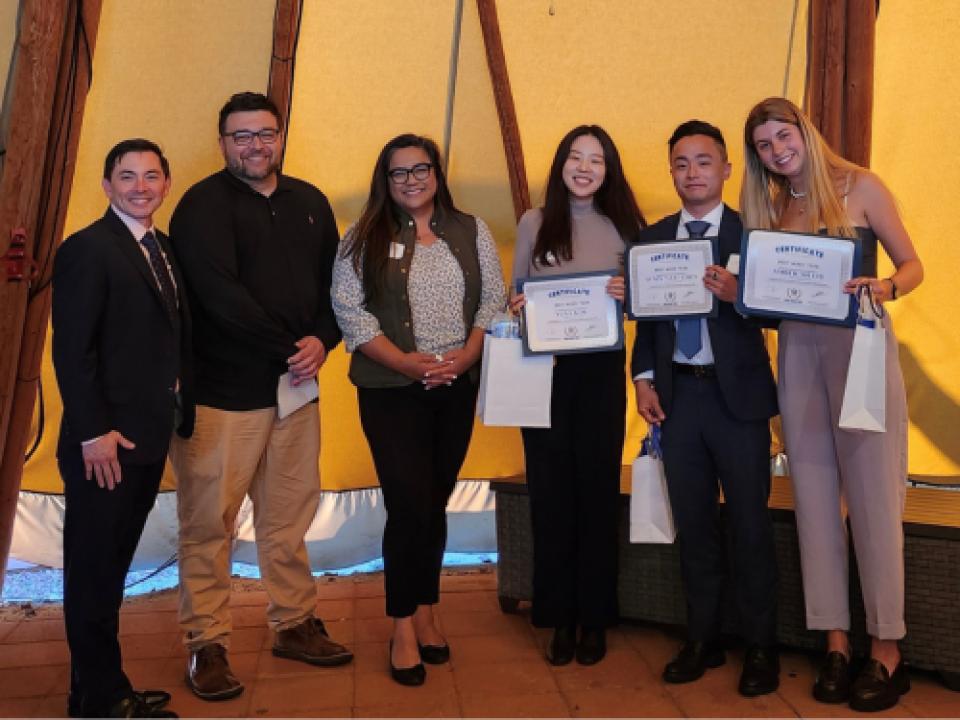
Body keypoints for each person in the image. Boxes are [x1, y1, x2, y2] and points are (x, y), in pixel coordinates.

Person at [168, 92, 352, 702]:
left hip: (297, 391)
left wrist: (323, 340)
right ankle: (207, 642)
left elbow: (338, 285)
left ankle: (294, 623)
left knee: (290, 516)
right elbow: (219, 297)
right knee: (207, 522)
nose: (254, 145)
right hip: (223, 397)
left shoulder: (310, 203)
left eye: (265, 133)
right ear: (222, 142)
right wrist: (288, 346)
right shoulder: (199, 207)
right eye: (241, 135)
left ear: (280, 136)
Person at [742, 97, 923, 712]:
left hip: (862, 353)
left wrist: (888, 285)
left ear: (803, 130)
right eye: (764, 145)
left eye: (781, 135)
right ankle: (836, 642)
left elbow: (913, 264)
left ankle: (887, 649)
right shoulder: (770, 207)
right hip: (798, 356)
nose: (776, 150)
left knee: (875, 500)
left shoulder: (861, 186)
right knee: (813, 500)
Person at [331, 134, 505, 686]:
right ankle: (403, 624)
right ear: (385, 181)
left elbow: (492, 299)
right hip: (391, 390)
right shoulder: (360, 238)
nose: (410, 180)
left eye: (419, 169)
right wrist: (408, 364)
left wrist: (469, 354)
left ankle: (428, 608)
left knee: (434, 501)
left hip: (456, 385)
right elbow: (350, 313)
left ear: (437, 173)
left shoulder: (470, 229)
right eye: (398, 173)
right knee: (408, 504)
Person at [631, 120, 781, 696]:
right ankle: (703, 636)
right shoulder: (652, 238)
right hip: (678, 399)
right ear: (670, 171)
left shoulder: (754, 234)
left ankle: (762, 646)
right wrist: (644, 380)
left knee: (749, 524)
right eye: (680, 163)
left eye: (703, 161)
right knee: (693, 523)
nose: (692, 172)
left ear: (726, 169)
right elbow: (645, 325)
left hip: (737, 400)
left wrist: (738, 296)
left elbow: (780, 314)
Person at [52, 138, 192, 718]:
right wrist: (92, 431)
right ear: (106, 185)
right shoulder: (87, 249)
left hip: (145, 438)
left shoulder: (161, 247)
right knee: (93, 573)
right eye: (127, 177)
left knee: (110, 571)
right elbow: (72, 350)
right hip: (103, 445)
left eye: (151, 176)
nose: (140, 187)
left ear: (166, 183)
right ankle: (105, 698)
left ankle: (93, 690)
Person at [508, 125, 641, 666]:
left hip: (602, 375)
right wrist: (518, 308)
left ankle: (596, 618)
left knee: (596, 495)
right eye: (575, 157)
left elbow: (644, 308)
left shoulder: (626, 226)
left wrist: (630, 295)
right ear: (560, 163)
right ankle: (558, 616)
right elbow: (515, 293)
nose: (585, 167)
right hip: (545, 374)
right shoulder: (534, 222)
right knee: (550, 496)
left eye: (597, 160)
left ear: (609, 170)